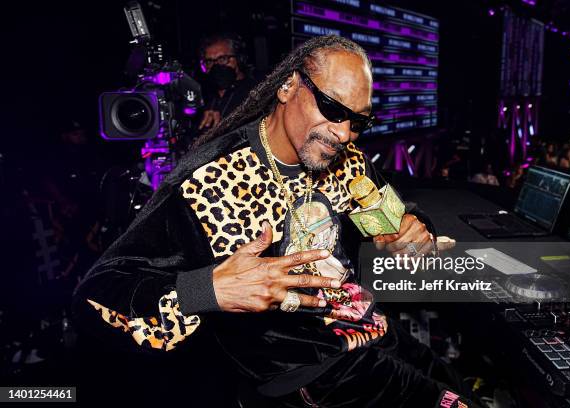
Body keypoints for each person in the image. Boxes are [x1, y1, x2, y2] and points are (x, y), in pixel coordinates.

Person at [73, 35, 475, 407]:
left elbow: (395, 219)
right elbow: (96, 298)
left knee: (459, 383)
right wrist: (207, 289)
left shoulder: (344, 158)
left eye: (358, 121)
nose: (344, 133)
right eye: (333, 109)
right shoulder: (209, 181)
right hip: (302, 371)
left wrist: (413, 229)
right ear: (287, 87)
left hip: (365, 328)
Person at [198, 33, 257, 130]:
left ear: (239, 59)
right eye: (209, 62)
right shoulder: (205, 97)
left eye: (222, 59)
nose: (216, 66)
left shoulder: (253, 93)